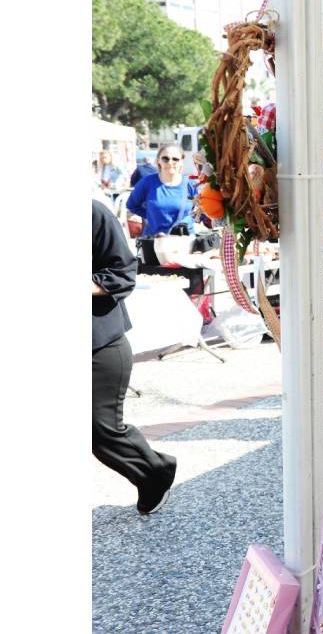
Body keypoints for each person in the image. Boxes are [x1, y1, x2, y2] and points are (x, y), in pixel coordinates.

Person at [93, 200, 177, 515]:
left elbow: (123, 273)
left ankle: (155, 472)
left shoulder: (93, 214)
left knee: (101, 433)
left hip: (100, 345)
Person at [126, 144, 198, 263]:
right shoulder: (147, 182)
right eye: (165, 158)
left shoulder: (190, 184)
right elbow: (131, 205)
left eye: (175, 159)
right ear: (158, 161)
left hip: (185, 244)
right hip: (154, 243)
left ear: (181, 162)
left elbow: (203, 208)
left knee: (185, 279)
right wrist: (150, 215)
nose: (170, 162)